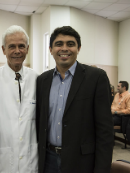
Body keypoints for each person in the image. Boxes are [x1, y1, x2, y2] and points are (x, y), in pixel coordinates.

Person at [36, 26, 113, 173]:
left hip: (82, 161)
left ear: (79, 48)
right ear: (50, 49)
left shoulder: (96, 77)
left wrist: (102, 169)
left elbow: (105, 131)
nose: (64, 48)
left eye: (70, 44)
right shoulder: (42, 80)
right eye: (59, 44)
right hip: (48, 159)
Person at [0, 25, 38, 173]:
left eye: (21, 46)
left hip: (31, 161)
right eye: (11, 46)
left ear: (27, 48)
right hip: (0, 160)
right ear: (3, 50)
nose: (17, 51)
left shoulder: (37, 79)